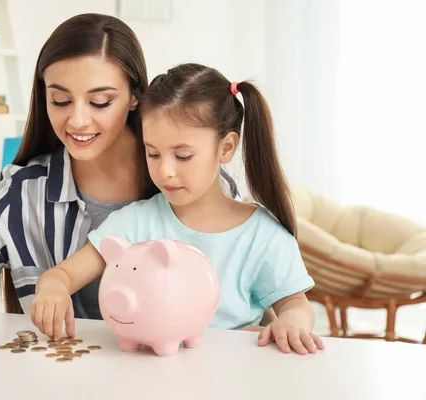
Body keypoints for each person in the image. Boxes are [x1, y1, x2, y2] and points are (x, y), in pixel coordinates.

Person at [0, 13, 241, 351]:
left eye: (100, 102)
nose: (78, 120)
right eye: (60, 100)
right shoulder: (24, 194)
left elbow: (239, 293)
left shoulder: (190, 181)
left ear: (135, 96)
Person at [31, 63, 326, 355]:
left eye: (183, 156)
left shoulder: (262, 236)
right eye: (153, 153)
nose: (165, 171)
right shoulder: (134, 223)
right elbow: (64, 275)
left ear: (225, 148)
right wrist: (52, 290)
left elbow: (294, 303)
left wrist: (290, 323)